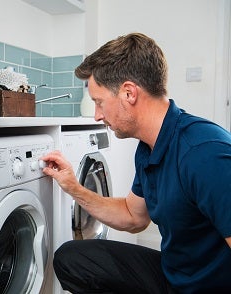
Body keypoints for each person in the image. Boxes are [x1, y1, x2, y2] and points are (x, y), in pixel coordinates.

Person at [41, 32, 231, 293]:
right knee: (73, 258)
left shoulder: (204, 153)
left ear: (129, 93)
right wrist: (73, 187)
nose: (97, 115)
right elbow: (133, 216)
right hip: (174, 276)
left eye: (99, 102)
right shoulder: (148, 147)